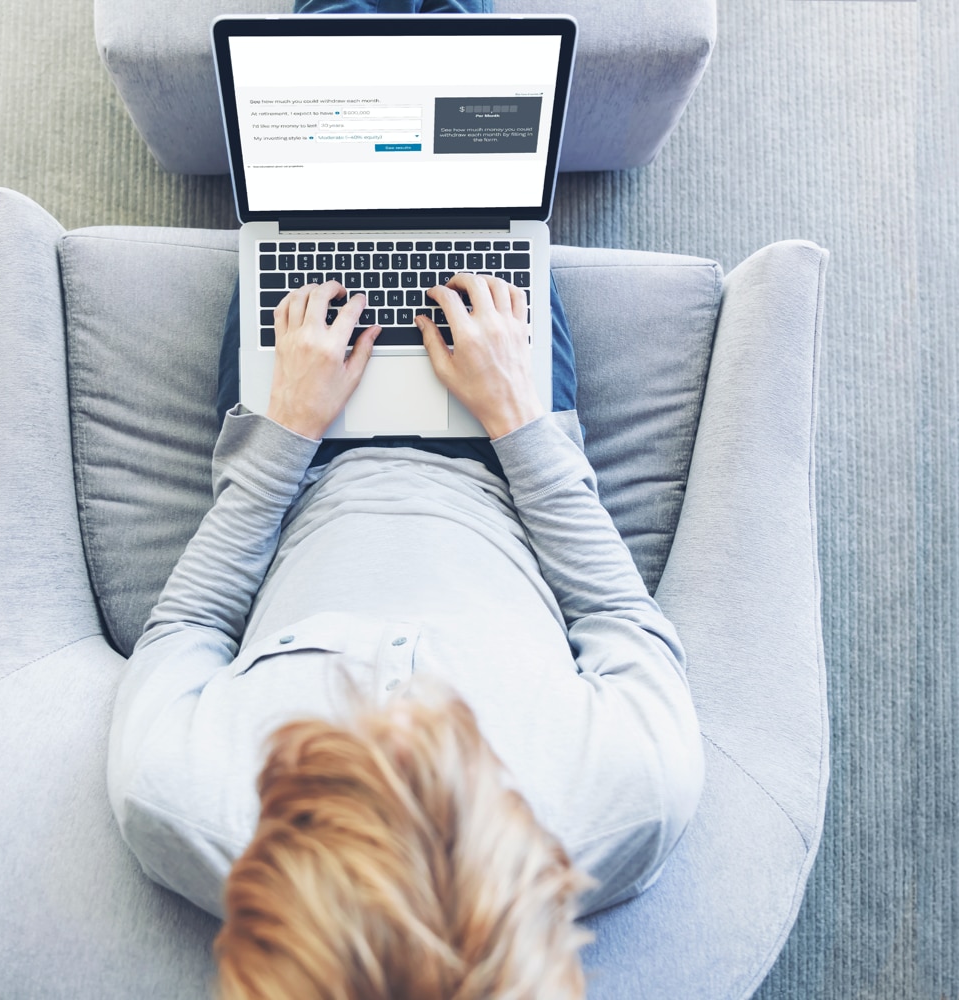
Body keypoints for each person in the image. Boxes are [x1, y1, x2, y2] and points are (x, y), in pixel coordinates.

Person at [107, 267, 705, 997]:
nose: (396, 726)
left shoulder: (174, 796)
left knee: (292, 218)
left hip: (300, 464)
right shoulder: (636, 793)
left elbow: (191, 624)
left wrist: (287, 429)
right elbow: (615, 617)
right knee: (490, 215)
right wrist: (517, 417)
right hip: (504, 459)